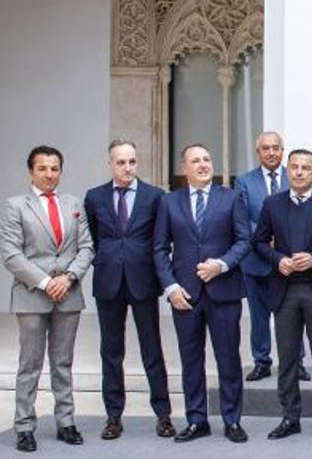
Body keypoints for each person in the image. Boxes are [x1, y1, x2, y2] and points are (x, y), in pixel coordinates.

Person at [153, 143, 251, 443]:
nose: (203, 164)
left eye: (207, 159)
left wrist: (221, 265)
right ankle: (197, 420)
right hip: (185, 295)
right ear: (185, 168)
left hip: (224, 292)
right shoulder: (169, 202)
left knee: (229, 359)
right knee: (191, 359)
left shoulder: (231, 197)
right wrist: (170, 287)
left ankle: (232, 420)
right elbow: (158, 248)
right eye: (195, 160)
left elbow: (244, 240)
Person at [2, 145, 94, 453]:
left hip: (68, 293)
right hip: (31, 295)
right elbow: (11, 254)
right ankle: (25, 426)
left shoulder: (73, 203)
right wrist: (45, 282)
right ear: (31, 172)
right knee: (29, 364)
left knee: (63, 362)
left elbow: (87, 248)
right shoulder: (15, 206)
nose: (49, 174)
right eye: (42, 168)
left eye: (54, 168)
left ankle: (66, 422)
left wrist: (67, 278)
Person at [252, 148, 312, 442]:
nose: (300, 172)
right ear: (287, 170)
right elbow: (258, 242)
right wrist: (276, 258)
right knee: (288, 359)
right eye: (294, 167)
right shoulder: (272, 204)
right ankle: (290, 417)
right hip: (285, 291)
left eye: (306, 167)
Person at [84, 139, 174, 440]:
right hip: (108, 281)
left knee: (152, 350)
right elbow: (94, 238)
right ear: (110, 163)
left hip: (143, 280)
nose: (127, 167)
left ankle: (163, 415)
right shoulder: (94, 197)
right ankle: (113, 416)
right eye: (121, 162)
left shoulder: (155, 197)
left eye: (132, 161)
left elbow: (161, 240)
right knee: (111, 352)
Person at [234, 131, 308, 383]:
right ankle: (261, 362)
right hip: (256, 260)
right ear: (258, 152)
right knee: (259, 316)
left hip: (290, 262)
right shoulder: (244, 182)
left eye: (276, 147)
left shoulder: (295, 176)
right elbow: (242, 219)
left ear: (282, 150)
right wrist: (266, 237)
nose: (271, 152)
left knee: (293, 315)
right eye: (266, 148)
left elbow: (303, 213)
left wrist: (283, 238)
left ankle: (296, 362)